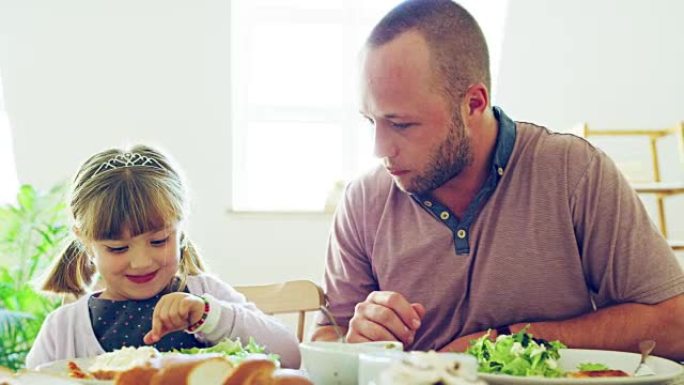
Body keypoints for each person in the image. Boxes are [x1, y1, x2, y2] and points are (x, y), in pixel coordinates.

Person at [312, 0, 684, 360]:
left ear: (474, 104)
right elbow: (327, 339)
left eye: (401, 124)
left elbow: (675, 324)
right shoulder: (363, 200)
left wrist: (506, 344)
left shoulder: (573, 172)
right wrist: (355, 342)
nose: (380, 148)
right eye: (370, 120)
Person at [26, 145, 300, 369]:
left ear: (180, 231)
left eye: (159, 241)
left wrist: (208, 315)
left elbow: (290, 354)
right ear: (85, 242)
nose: (142, 261)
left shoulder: (205, 294)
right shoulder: (64, 329)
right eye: (118, 248)